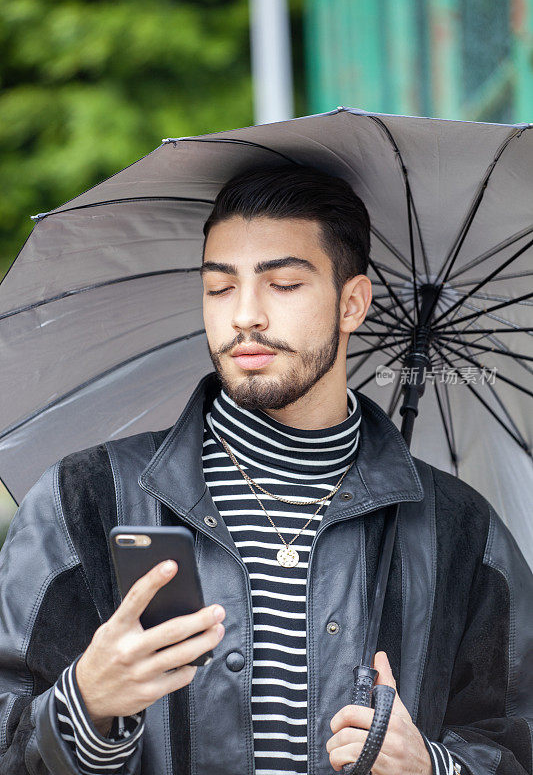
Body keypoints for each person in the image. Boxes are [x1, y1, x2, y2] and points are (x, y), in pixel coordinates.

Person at [0, 164, 531, 775]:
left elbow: (519, 736)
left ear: (351, 303)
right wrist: (84, 706)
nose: (244, 315)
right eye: (220, 287)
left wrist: (435, 767)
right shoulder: (87, 501)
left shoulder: (457, 529)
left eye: (282, 284)